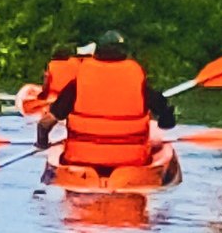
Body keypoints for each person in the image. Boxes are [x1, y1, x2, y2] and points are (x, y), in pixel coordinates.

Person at [37, 31, 177, 168]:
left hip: (81, 161)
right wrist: (167, 114)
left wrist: (42, 143)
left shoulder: (79, 81)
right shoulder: (138, 82)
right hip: (131, 162)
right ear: (125, 53)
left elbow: (44, 124)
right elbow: (167, 124)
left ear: (97, 52)